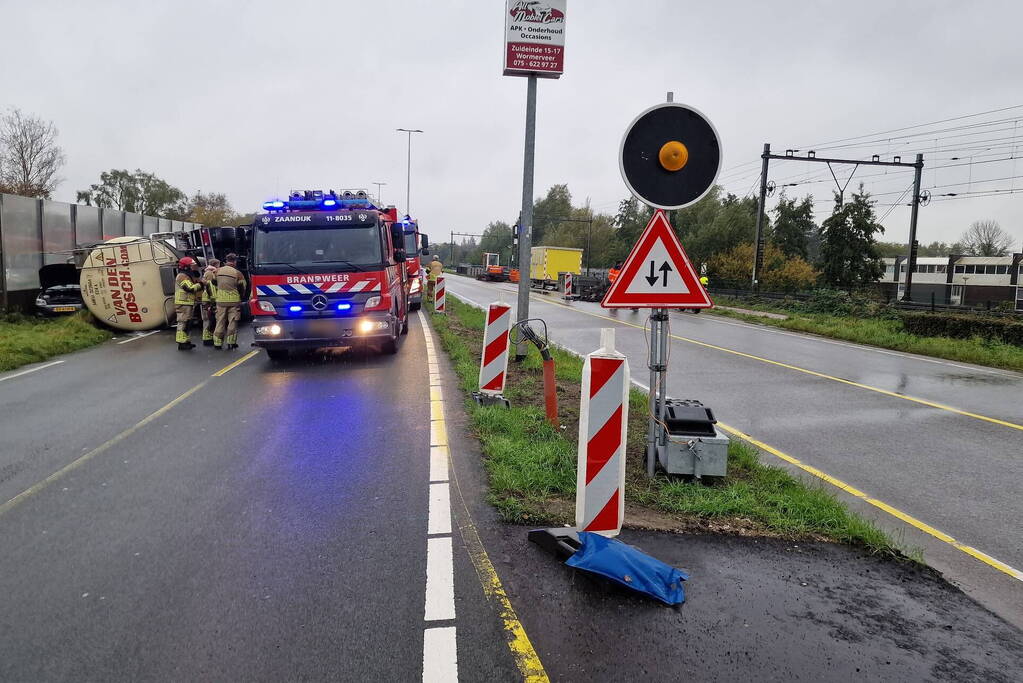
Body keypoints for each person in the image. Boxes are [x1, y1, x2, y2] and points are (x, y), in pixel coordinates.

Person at [213, 253, 247, 350]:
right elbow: (242, 286)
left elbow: (213, 282)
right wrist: (241, 296)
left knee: (220, 321)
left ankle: (217, 343)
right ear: (235, 261)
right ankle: (231, 343)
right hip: (233, 300)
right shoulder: (237, 273)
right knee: (232, 321)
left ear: (226, 261)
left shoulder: (218, 271)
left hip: (220, 300)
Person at [174, 257, 203, 350]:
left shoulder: (188, 275)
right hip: (183, 303)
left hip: (187, 302)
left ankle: (185, 341)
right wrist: (201, 284)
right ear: (186, 267)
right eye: (192, 265)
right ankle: (181, 343)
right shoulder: (182, 276)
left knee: (188, 323)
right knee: (183, 322)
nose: (194, 267)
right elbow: (189, 288)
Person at [198, 259, 220, 346]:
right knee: (209, 319)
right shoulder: (210, 274)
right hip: (209, 299)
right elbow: (211, 288)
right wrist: (213, 300)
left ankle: (208, 337)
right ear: (215, 265)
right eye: (218, 265)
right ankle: (207, 338)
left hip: (207, 299)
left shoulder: (208, 272)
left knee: (208, 319)